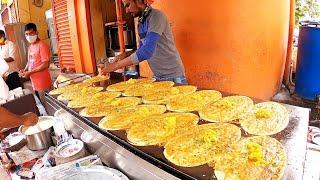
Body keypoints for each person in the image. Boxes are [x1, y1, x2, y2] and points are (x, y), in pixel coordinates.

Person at [100, 0, 187, 84]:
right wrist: (124, 55)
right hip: (158, 76)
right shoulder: (141, 24)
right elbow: (141, 50)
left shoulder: (157, 16)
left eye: (128, 5)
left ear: (138, 1)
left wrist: (114, 66)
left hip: (174, 76)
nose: (126, 11)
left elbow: (146, 52)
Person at [19, 23, 52, 109]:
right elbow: (29, 61)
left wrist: (30, 72)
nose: (29, 36)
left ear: (36, 32)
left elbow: (45, 64)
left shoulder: (42, 46)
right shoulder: (30, 47)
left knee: (48, 105)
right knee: (42, 104)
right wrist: (25, 69)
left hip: (43, 82)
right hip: (34, 82)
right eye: (26, 34)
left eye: (31, 33)